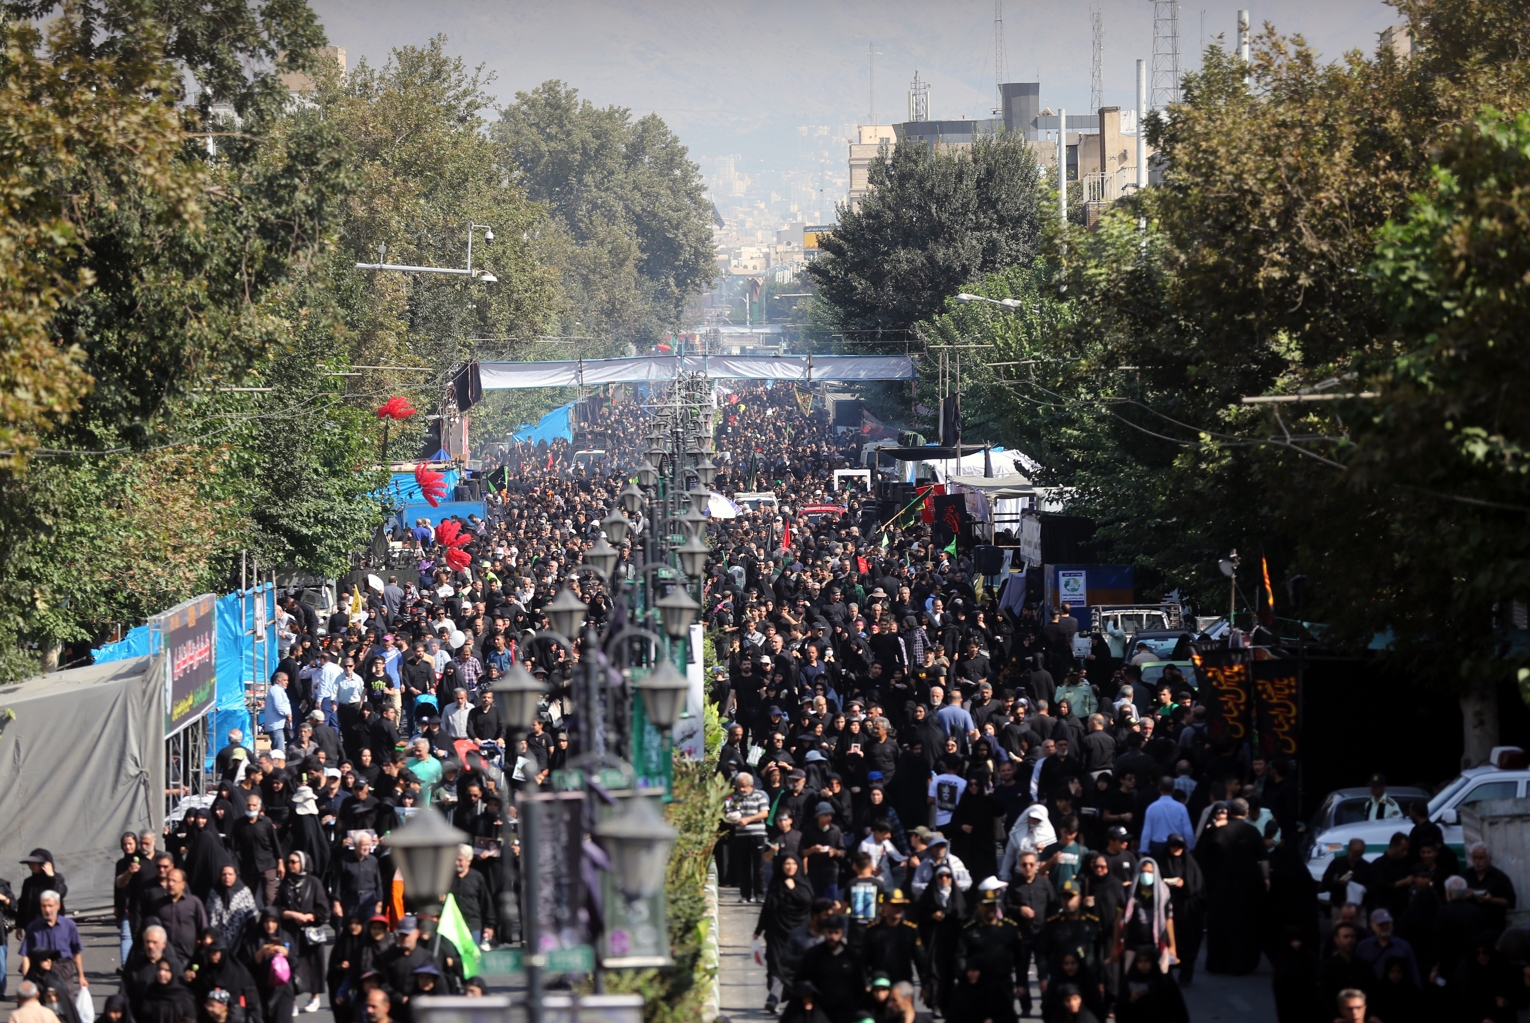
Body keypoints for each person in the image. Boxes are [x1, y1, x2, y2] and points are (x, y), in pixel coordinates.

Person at [756, 853, 816, 1012]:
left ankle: (792, 1000)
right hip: (777, 933)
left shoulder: (803, 884)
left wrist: (793, 889)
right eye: (787, 864)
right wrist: (758, 930)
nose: (790, 867)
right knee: (776, 965)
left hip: (799, 933)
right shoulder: (776, 883)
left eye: (793, 864)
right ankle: (774, 999)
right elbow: (768, 908)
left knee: (796, 967)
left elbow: (807, 901)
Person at [18, 891, 84, 996]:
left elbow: (76, 953)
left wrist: (81, 976)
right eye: (44, 906)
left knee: (66, 1003)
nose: (47, 910)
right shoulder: (34, 927)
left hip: (63, 970)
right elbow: (26, 955)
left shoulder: (69, 926)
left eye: (50, 906)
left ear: (58, 905)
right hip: (40, 972)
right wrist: (27, 980)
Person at [726, 772, 772, 903]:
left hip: (757, 835)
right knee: (743, 866)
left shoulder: (759, 796)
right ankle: (745, 895)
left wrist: (748, 819)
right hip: (741, 836)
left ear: (751, 785)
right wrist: (734, 818)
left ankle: (759, 894)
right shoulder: (735, 798)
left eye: (744, 786)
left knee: (759, 866)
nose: (742, 789)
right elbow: (728, 813)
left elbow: (764, 813)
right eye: (739, 786)